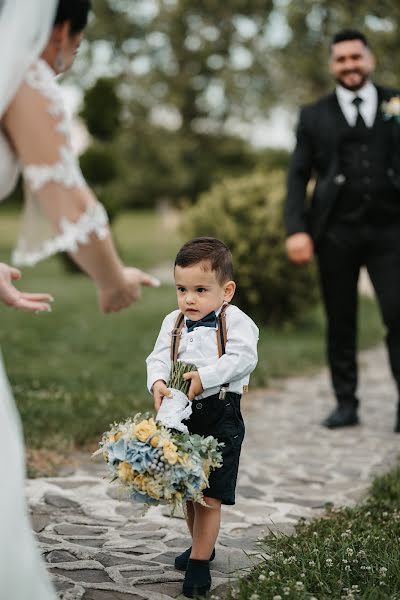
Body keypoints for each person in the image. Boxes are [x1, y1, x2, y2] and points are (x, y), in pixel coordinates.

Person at [0, 1, 158, 598]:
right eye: (80, 43)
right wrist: (113, 279)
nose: (73, 56)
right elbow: (70, 201)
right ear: (59, 30)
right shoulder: (24, 80)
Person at [284, 29, 400, 432]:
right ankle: (345, 403)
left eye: (356, 57)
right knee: (341, 319)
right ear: (332, 65)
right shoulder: (313, 115)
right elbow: (298, 176)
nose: (349, 65)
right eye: (341, 59)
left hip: (392, 231)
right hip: (336, 232)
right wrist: (296, 229)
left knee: (399, 314)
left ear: (369, 60)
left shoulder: (396, 102)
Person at [146, 237, 259, 598]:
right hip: (182, 414)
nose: (189, 299)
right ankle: (201, 545)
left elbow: (242, 359)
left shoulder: (236, 322)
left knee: (210, 495)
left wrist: (205, 377)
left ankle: (198, 563)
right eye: (181, 289)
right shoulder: (174, 321)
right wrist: (159, 382)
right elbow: (159, 357)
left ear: (226, 290)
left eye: (199, 289)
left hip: (220, 412)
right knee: (190, 489)